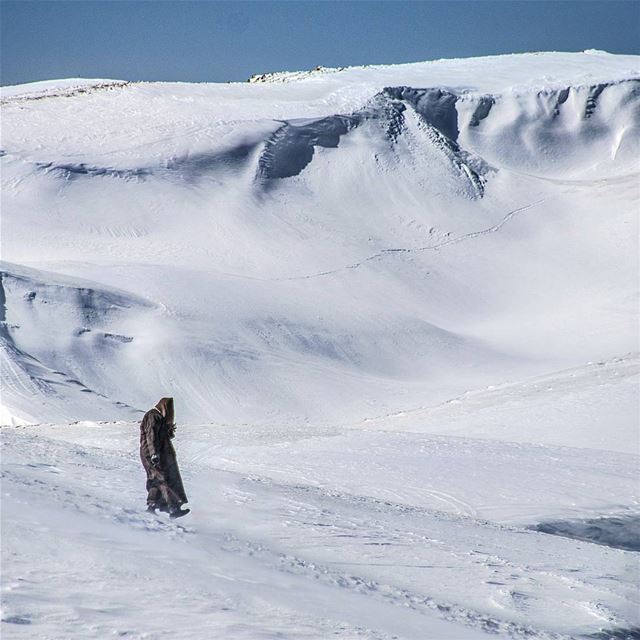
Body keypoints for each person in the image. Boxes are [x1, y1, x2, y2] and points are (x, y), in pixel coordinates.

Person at [139, 397, 190, 519]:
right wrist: (153, 453)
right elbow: (151, 436)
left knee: (157, 479)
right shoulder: (153, 416)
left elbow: (160, 437)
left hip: (158, 454)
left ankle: (152, 506)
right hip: (151, 454)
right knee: (162, 479)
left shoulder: (158, 417)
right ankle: (172, 508)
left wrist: (168, 432)